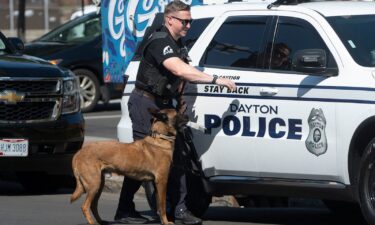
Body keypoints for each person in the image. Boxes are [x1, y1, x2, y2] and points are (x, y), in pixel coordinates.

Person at [114, 1, 236, 224]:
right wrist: (216, 80)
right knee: (141, 160)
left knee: (178, 157)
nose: (189, 26)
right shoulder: (160, 41)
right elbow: (178, 69)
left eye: (190, 21)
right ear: (170, 19)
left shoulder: (178, 43)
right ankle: (124, 209)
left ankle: (179, 209)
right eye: (185, 21)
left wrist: (182, 101)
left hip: (164, 107)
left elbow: (179, 78)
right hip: (145, 106)